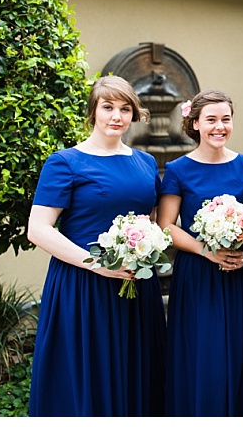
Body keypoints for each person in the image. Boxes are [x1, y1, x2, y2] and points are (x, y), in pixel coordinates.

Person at [26, 76, 167, 416]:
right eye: (108, 108)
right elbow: (38, 229)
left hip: (135, 283)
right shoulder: (65, 162)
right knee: (89, 372)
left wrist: (142, 252)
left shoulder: (146, 163)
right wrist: (99, 264)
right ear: (93, 112)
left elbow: (152, 222)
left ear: (134, 114)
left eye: (124, 109)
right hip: (83, 285)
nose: (116, 116)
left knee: (137, 370)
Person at [158, 89, 243, 416]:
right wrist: (206, 251)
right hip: (197, 275)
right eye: (211, 119)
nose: (219, 126)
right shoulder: (177, 169)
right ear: (196, 123)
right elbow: (166, 225)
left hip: (240, 274)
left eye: (226, 119)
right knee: (204, 353)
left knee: (239, 352)